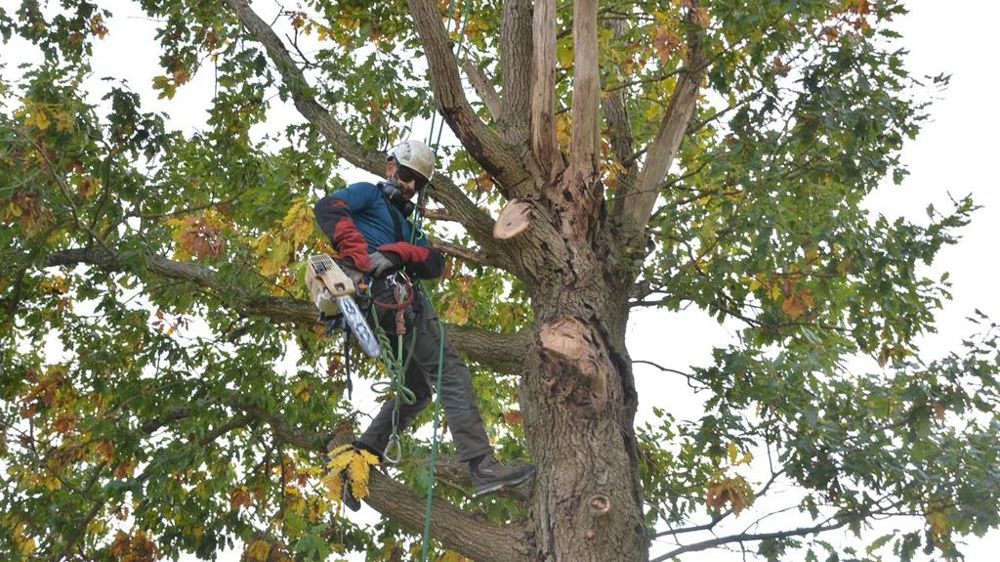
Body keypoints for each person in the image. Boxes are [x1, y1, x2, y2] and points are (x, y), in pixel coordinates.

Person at [313, 139, 535, 510]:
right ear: (390, 167)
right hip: (378, 293)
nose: (409, 185)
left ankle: (360, 460)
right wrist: (360, 253)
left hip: (394, 303)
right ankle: (482, 466)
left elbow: (433, 263)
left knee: (417, 389)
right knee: (449, 371)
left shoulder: (408, 225)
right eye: (405, 175)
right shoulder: (369, 194)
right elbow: (328, 207)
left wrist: (396, 252)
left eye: (417, 182)